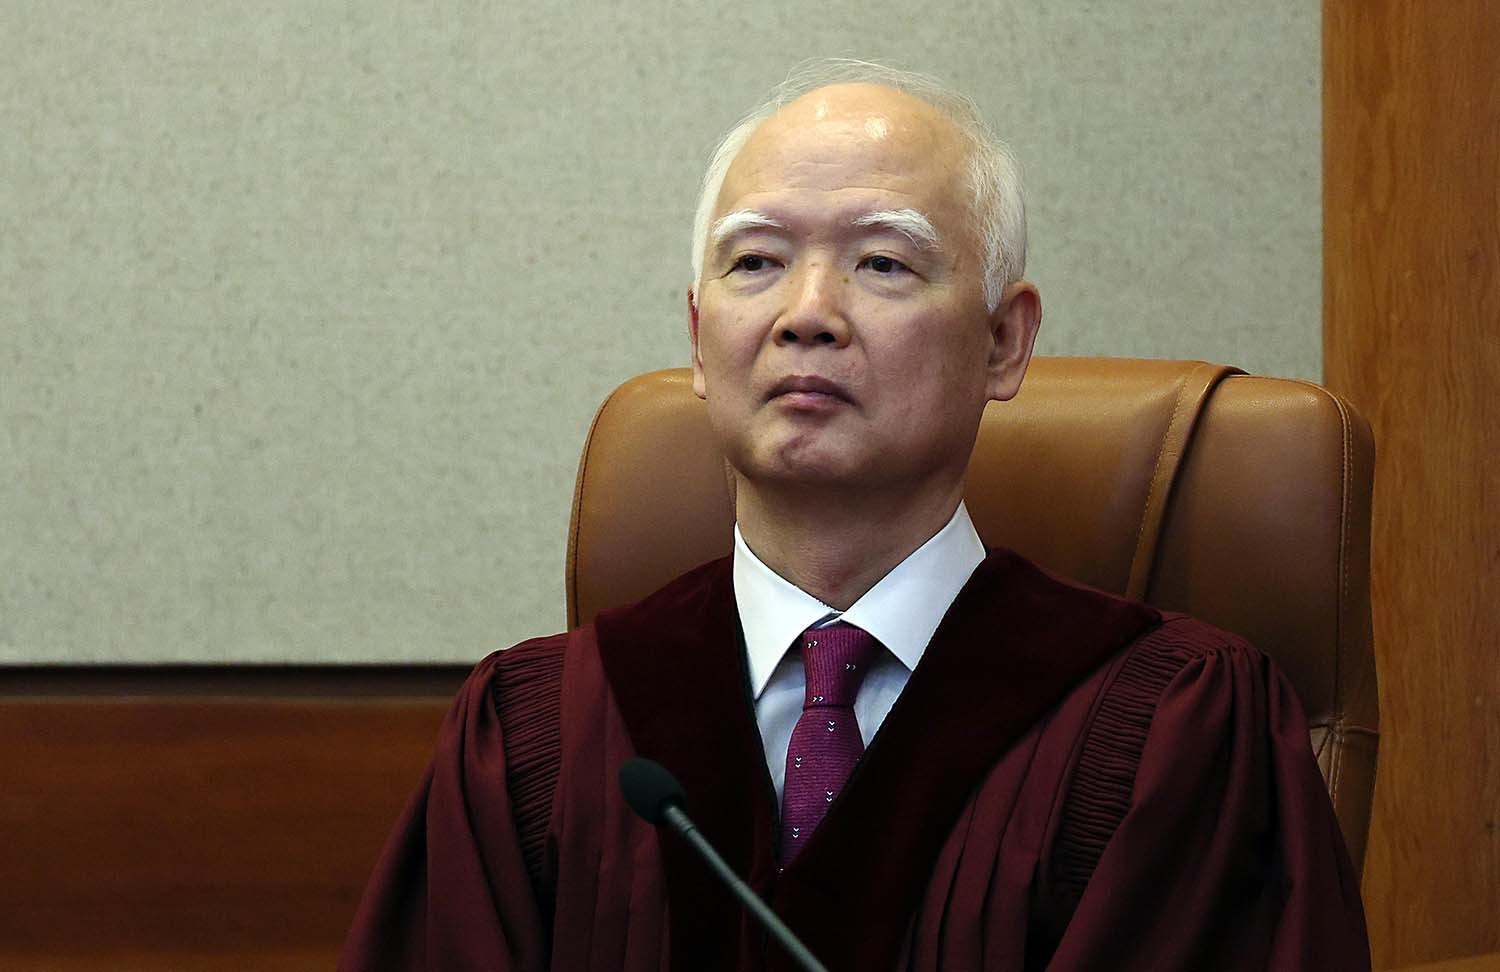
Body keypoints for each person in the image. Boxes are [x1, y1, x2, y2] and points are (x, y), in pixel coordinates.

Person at [340, 61, 1370, 971]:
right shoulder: (535, 737)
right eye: (755, 262)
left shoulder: (1176, 732)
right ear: (698, 341)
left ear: (1004, 343)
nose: (806, 314)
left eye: (883, 263)